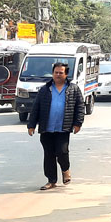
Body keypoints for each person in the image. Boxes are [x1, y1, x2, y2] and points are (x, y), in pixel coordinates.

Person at [27, 63, 85, 191]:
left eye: (60, 73)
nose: (58, 75)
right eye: (56, 72)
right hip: (46, 128)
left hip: (63, 127)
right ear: (52, 74)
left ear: (66, 74)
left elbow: (80, 107)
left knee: (62, 151)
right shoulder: (45, 89)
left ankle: (65, 169)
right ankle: (51, 180)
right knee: (49, 155)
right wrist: (31, 125)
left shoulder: (73, 89)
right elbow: (36, 108)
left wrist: (78, 123)